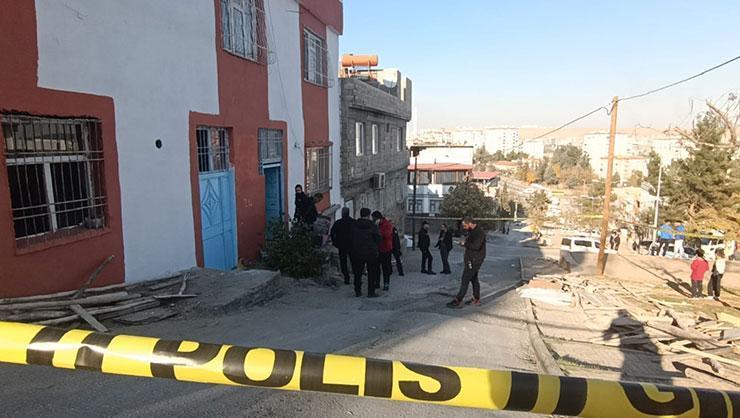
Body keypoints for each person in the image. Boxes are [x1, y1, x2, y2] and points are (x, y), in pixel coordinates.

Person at [447, 217, 486, 308]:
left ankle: (458, 300)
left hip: (474, 260)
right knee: (473, 278)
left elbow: (476, 246)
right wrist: (465, 243)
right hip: (471, 259)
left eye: (465, 225)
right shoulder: (472, 231)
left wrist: (465, 244)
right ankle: (476, 299)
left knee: (465, 279)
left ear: (470, 223)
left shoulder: (479, 233)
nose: (464, 227)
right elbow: (471, 243)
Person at [351, 208, 380, 298]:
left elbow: (351, 237)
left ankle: (358, 291)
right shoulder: (372, 225)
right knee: (372, 272)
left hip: (357, 251)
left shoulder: (354, 224)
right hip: (370, 252)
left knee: (358, 272)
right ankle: (371, 292)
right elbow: (378, 238)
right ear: (368, 215)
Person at [330, 207, 354, 284]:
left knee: (343, 262)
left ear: (342, 213)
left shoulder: (338, 223)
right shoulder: (353, 222)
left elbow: (332, 233)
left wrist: (335, 242)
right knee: (354, 261)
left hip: (341, 245)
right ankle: (356, 276)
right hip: (352, 245)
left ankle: (346, 277)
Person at [372, 211, 394, 291]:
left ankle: (386, 283)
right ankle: (377, 283)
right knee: (376, 268)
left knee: (386, 268)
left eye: (374, 219)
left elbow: (386, 235)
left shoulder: (387, 224)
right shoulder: (374, 225)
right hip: (377, 249)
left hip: (386, 249)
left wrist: (377, 229)